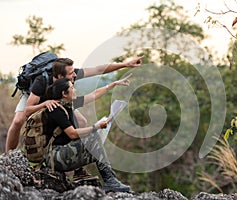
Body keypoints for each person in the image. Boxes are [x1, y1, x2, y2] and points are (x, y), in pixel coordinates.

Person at [5, 55, 143, 152]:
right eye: (71, 73)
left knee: (81, 121)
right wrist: (45, 103)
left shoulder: (70, 78)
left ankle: (75, 166)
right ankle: (8, 158)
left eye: (73, 72)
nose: (75, 75)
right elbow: (28, 110)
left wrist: (126, 64)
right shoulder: (41, 82)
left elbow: (98, 69)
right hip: (36, 98)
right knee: (18, 121)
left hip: (60, 98)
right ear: (59, 77)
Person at [44, 78, 131, 192]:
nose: (75, 90)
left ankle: (110, 179)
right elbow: (72, 134)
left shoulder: (69, 104)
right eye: (72, 87)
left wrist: (114, 83)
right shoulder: (56, 110)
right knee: (93, 137)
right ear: (64, 94)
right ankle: (110, 179)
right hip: (55, 157)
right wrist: (96, 127)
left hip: (63, 152)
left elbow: (94, 95)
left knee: (93, 138)